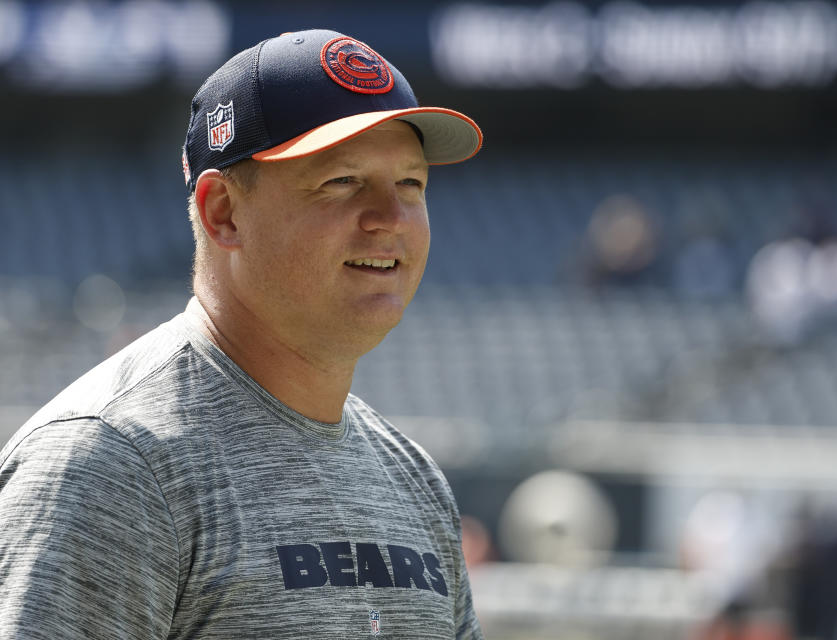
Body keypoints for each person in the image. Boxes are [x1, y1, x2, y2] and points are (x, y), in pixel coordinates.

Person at [0, 29, 483, 639]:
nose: (390, 218)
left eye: (411, 184)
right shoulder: (111, 465)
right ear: (223, 212)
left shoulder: (411, 477)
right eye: (343, 181)